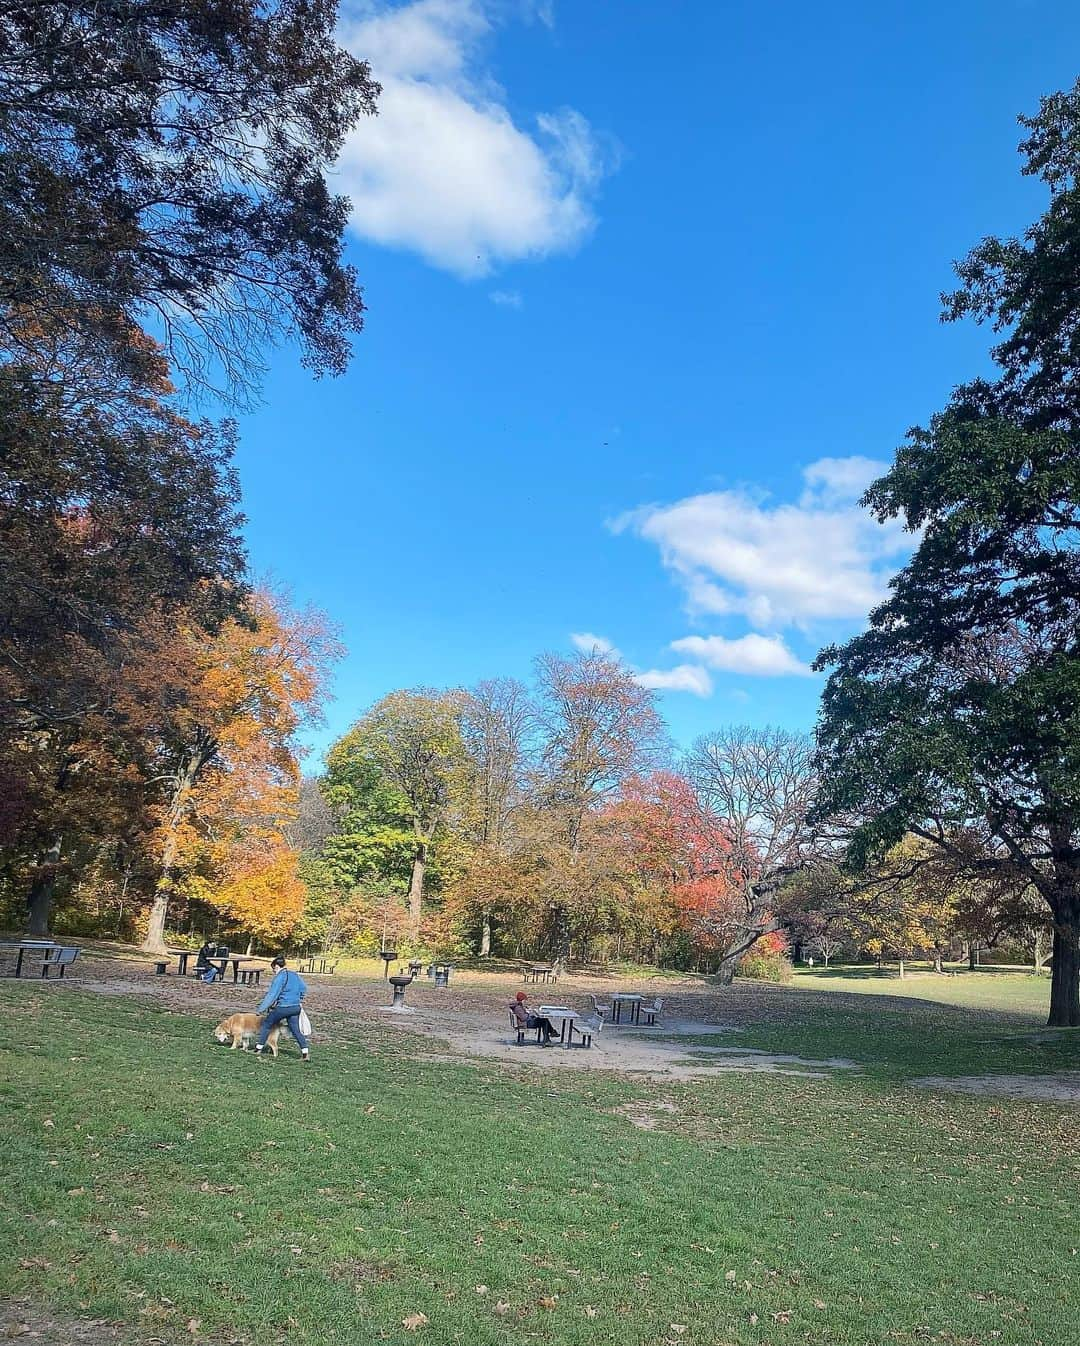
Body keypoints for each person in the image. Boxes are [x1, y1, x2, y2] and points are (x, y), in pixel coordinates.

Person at [254, 956, 309, 1061]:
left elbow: (272, 995)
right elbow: (303, 988)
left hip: (283, 1007)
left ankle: (258, 1048)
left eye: (273, 969)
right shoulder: (294, 974)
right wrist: (299, 998)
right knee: (296, 1030)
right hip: (295, 1007)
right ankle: (305, 1053)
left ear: (277, 966)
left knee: (266, 1024)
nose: (274, 971)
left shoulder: (280, 977)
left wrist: (260, 1009)